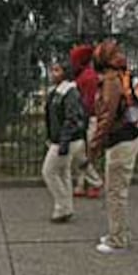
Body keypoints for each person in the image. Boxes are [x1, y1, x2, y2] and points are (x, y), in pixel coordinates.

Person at [89, 41, 138, 254]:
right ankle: (117, 232)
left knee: (115, 192)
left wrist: (93, 148)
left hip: (120, 141)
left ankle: (118, 239)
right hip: (130, 137)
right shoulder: (122, 75)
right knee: (116, 190)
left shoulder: (111, 82)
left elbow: (106, 117)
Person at [41, 61, 87, 223]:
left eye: (57, 70)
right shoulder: (59, 91)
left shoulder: (69, 92)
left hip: (66, 140)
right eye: (52, 69)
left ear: (65, 73)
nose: (53, 73)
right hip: (62, 139)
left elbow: (71, 119)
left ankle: (63, 206)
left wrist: (63, 142)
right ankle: (66, 208)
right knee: (63, 172)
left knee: (49, 171)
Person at [70, 44, 104, 199]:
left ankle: (95, 182)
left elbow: (88, 102)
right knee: (82, 152)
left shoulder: (88, 77)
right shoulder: (84, 75)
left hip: (89, 119)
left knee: (83, 153)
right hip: (86, 118)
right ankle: (81, 184)